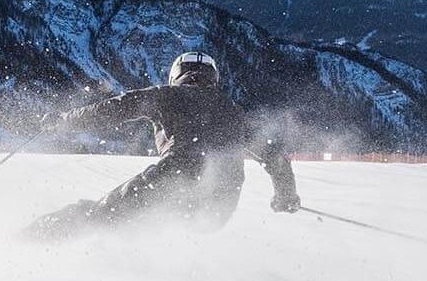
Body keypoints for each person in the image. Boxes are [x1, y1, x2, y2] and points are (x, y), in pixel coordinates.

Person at [27, 51, 300, 239]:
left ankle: (31, 239)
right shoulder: (235, 112)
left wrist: (63, 121)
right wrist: (286, 195)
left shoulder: (165, 96)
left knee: (101, 214)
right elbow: (275, 156)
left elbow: (112, 110)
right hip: (220, 206)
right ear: (213, 78)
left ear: (176, 75)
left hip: (176, 179)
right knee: (148, 225)